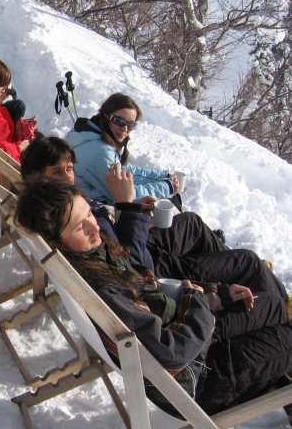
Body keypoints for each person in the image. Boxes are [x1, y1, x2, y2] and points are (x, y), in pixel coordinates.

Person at [15, 179, 292, 416]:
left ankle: (277, 371)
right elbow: (171, 352)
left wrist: (212, 295)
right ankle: (276, 375)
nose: (94, 227)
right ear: (56, 242)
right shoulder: (102, 288)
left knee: (270, 305)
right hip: (198, 378)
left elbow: (152, 290)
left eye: (89, 214)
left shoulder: (93, 258)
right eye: (79, 226)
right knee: (280, 322)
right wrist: (197, 302)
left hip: (193, 345)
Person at [20, 136, 278, 285]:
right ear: (36, 178)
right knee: (247, 260)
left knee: (190, 222)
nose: (68, 177)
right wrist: (127, 206)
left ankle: (228, 268)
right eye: (57, 172)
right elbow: (132, 264)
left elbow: (112, 241)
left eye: (69, 169)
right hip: (153, 271)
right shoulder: (61, 217)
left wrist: (131, 209)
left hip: (136, 246)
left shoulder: (57, 207)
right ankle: (244, 280)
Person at [64, 92, 180, 204]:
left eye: (131, 124)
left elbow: (123, 174)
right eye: (119, 121)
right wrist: (167, 187)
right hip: (93, 211)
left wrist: (162, 177)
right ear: (106, 117)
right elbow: (127, 196)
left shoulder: (86, 132)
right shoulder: (100, 152)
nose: (125, 128)